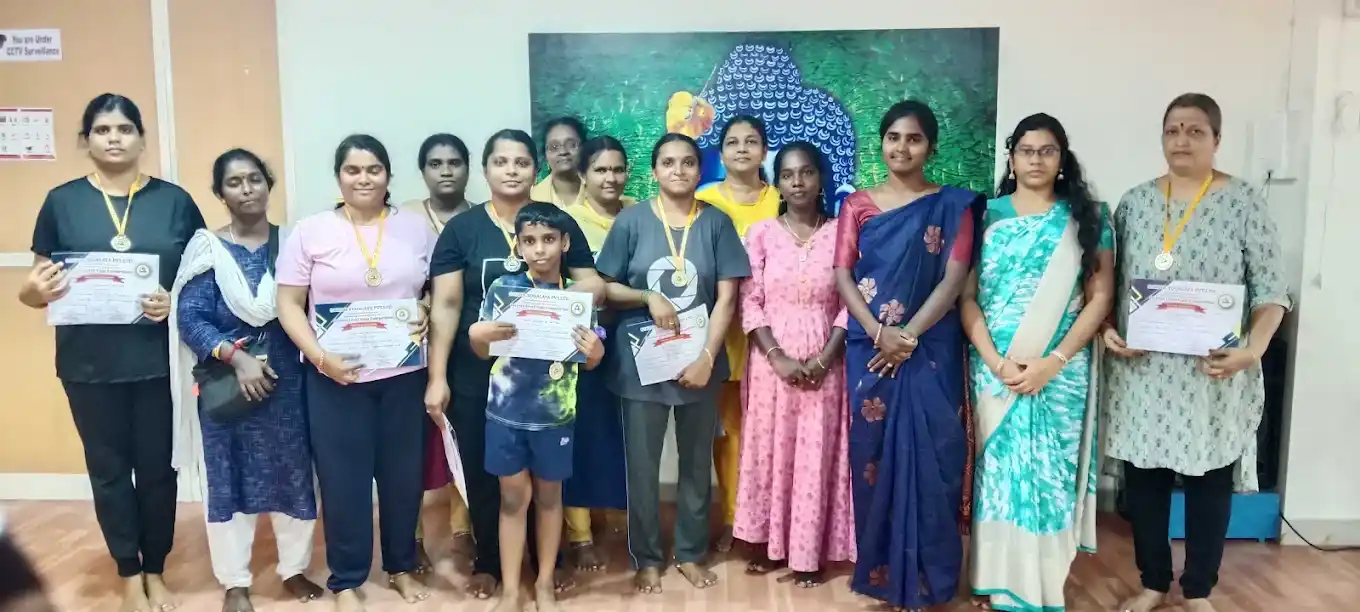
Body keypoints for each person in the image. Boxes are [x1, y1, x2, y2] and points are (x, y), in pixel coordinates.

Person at [18, 93, 205, 612]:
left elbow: (201, 283)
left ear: (142, 138)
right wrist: (33, 293)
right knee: (108, 471)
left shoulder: (175, 202)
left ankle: (156, 569)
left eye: (125, 129)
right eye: (102, 130)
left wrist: (175, 302)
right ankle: (128, 572)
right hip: (89, 365)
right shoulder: (61, 202)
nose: (114, 138)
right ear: (86, 141)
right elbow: (36, 288)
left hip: (158, 362)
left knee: (159, 470)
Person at [1104, 94, 1290, 612]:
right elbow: (1108, 284)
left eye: (1195, 131)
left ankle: (1199, 589)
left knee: (1210, 481)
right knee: (1145, 482)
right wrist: (1108, 329)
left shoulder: (1244, 201)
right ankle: (1153, 582)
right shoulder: (1134, 203)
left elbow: (1272, 290)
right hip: (1145, 371)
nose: (1181, 140)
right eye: (1173, 130)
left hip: (1214, 372)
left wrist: (1253, 350)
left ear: (1216, 139)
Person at [425, 129, 604, 600]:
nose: (511, 170)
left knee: (548, 484)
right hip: (479, 375)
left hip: (548, 381)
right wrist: (438, 375)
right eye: (500, 162)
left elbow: (593, 285)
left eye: (521, 162)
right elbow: (446, 304)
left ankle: (546, 567)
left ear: (534, 169)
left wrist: (554, 307)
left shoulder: (557, 222)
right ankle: (494, 566)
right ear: (485, 170)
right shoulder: (462, 230)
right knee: (490, 478)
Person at [833, 100, 983, 611]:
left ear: (930, 147)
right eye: (893, 137)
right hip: (870, 350)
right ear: (882, 143)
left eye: (914, 138)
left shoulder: (955, 205)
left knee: (937, 458)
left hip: (931, 348)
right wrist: (879, 333)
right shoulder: (857, 205)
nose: (902, 147)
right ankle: (883, 578)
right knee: (872, 457)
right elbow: (842, 275)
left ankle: (933, 582)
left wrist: (908, 336)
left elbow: (954, 279)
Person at [959, 114, 1114, 611]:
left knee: (1050, 477)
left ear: (1062, 159)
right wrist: (993, 360)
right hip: (995, 368)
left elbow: (1100, 297)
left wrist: (1054, 361)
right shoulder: (984, 214)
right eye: (1026, 150)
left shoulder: (1089, 217)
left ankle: (1042, 585)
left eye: (1047, 151)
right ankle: (993, 579)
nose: (1036, 160)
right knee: (998, 476)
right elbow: (967, 298)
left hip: (1060, 371)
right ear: (1011, 157)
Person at [274, 134, 434, 611]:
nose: (364, 178)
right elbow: (288, 305)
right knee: (344, 483)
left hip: (403, 376)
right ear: (339, 177)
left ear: (388, 175)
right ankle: (346, 579)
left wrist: (426, 309)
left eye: (373, 169)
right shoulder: (311, 231)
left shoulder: (415, 229)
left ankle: (401, 566)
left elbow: (432, 290)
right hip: (334, 380)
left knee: (402, 479)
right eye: (353, 170)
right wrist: (320, 357)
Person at [595, 133, 750, 594]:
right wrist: (647, 296)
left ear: (700, 170)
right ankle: (646, 558)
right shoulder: (632, 221)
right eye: (668, 162)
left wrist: (707, 358)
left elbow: (727, 300)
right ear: (654, 170)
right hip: (641, 365)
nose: (678, 171)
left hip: (699, 363)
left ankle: (690, 552)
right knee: (642, 468)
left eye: (687, 162)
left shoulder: (716, 223)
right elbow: (605, 286)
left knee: (697, 465)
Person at [168, 149, 323, 612]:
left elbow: (317, 307)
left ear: (268, 184)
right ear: (220, 193)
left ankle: (293, 569)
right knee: (228, 479)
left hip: (288, 387)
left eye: (254, 179)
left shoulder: (293, 244)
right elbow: (190, 318)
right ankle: (235, 582)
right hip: (227, 387)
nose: (247, 189)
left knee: (293, 475)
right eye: (234, 182)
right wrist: (237, 359)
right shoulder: (207, 250)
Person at [467, 203, 605, 612]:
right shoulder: (504, 290)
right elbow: (482, 350)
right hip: (505, 415)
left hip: (555, 418)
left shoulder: (578, 296)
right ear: (518, 245)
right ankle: (511, 590)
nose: (539, 249)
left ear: (565, 243)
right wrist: (478, 334)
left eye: (548, 239)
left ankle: (544, 582)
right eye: (529, 240)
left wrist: (596, 352)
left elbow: (590, 359)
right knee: (512, 501)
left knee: (549, 499)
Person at [732, 141, 854, 588]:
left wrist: (826, 357)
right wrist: (777, 356)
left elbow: (852, 302)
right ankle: (767, 545)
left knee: (815, 456)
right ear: (777, 183)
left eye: (806, 173)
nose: (797, 182)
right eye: (787, 174)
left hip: (828, 360)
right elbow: (750, 301)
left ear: (821, 179)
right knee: (771, 453)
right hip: (771, 364)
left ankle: (808, 553)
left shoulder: (843, 233)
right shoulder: (761, 234)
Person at [695, 115, 780, 551]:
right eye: (733, 142)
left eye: (751, 142)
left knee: (769, 431)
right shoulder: (703, 201)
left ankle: (774, 521)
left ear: (765, 151)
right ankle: (733, 517)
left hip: (774, 335)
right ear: (721, 152)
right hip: (721, 329)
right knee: (728, 431)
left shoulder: (782, 200)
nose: (742, 149)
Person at [399, 133, 475, 566]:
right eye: (435, 163)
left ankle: (464, 529)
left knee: (461, 439)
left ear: (468, 168)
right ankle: (409, 537)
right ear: (423, 171)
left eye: (454, 162)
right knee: (410, 444)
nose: (446, 171)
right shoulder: (404, 219)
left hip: (461, 345)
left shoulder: (482, 219)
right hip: (407, 345)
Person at [561, 136, 634, 571]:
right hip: (584, 344)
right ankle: (580, 533)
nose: (610, 178)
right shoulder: (567, 222)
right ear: (583, 175)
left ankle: (622, 515)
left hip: (638, 339)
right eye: (601, 170)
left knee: (626, 434)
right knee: (582, 435)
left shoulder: (642, 213)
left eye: (618, 169)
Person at [530, 116, 587, 208]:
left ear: (584, 148)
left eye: (571, 145)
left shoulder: (600, 191)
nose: (563, 152)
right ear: (545, 155)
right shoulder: (533, 199)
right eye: (554, 147)